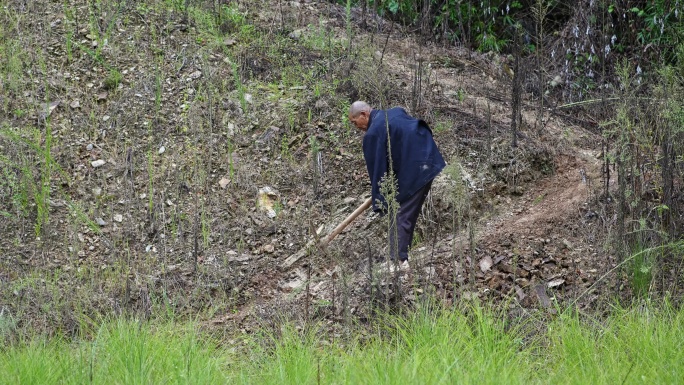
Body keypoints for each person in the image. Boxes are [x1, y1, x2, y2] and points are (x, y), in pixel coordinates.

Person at [348, 101, 445, 268]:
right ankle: (398, 258)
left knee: (399, 213)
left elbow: (378, 170)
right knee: (402, 212)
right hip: (430, 159)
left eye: (354, 122)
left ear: (364, 115)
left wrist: (380, 199)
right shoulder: (394, 112)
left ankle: (399, 262)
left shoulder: (373, 134)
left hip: (416, 169)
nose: (355, 126)